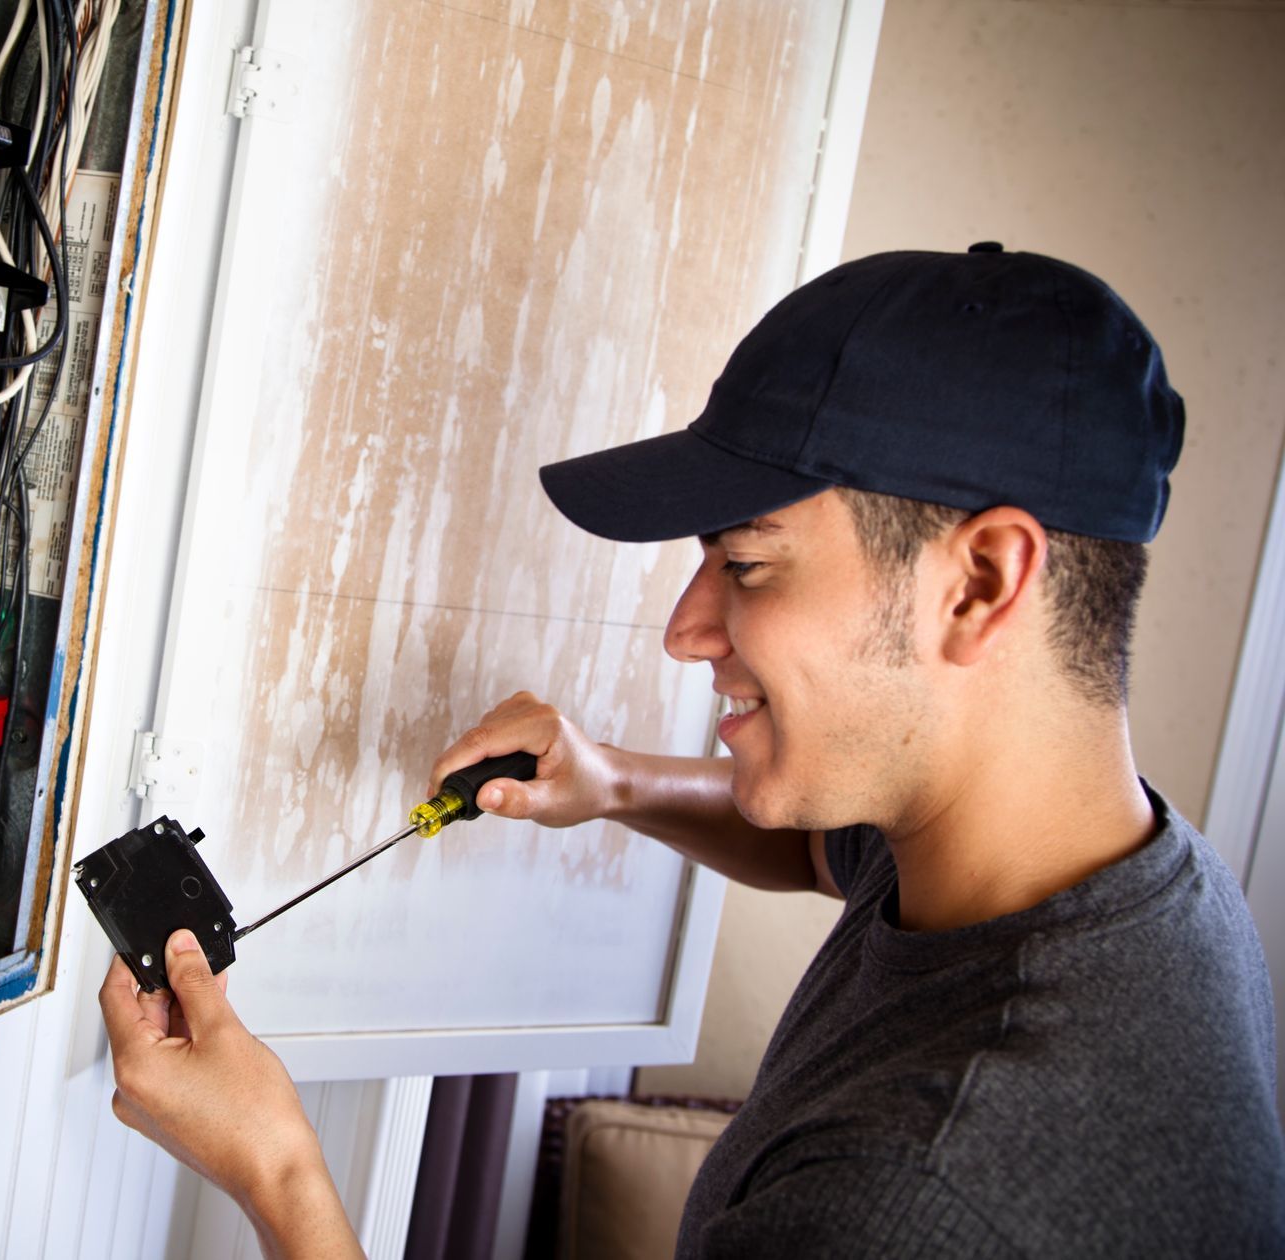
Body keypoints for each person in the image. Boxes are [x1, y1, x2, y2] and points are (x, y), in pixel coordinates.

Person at [97, 245, 1285, 1257]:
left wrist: (283, 1178)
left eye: (748, 565)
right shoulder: (1120, 878)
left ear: (979, 582)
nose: (685, 629)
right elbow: (837, 849)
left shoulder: (919, 1200)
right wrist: (612, 783)